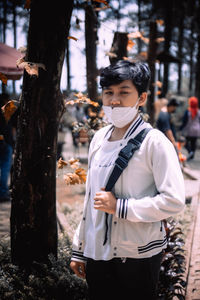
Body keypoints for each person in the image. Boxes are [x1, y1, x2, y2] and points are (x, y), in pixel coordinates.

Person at [70, 60, 185, 300]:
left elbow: (174, 201)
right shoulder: (99, 139)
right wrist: (80, 249)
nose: (114, 100)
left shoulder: (155, 142)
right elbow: (92, 198)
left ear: (141, 98)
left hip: (137, 256)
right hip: (96, 255)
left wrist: (120, 207)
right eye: (108, 93)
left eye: (124, 92)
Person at [0, 93, 18, 202]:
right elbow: (14, 128)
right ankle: (3, 192)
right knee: (5, 168)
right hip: (6, 142)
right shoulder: (9, 111)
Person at [180, 96, 200, 161]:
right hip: (197, 130)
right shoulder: (199, 111)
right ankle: (192, 155)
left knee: (185, 142)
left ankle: (190, 152)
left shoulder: (188, 111)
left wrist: (181, 128)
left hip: (189, 130)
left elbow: (184, 121)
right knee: (193, 143)